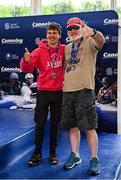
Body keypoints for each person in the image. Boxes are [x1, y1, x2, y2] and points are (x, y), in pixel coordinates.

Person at [61, 17, 105, 175]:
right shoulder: (66, 47)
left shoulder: (89, 41)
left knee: (89, 127)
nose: (73, 31)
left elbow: (100, 42)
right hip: (68, 92)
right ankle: (75, 155)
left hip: (85, 90)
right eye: (70, 28)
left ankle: (94, 159)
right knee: (72, 127)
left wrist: (93, 32)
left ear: (81, 28)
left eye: (75, 27)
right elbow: (67, 66)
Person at [20, 22, 65, 166]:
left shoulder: (64, 49)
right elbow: (27, 67)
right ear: (47, 35)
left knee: (55, 125)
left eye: (54, 33)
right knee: (40, 124)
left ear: (59, 35)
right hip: (43, 92)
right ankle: (37, 152)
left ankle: (53, 152)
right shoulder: (39, 50)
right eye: (49, 33)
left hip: (58, 92)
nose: (52, 35)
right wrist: (25, 60)